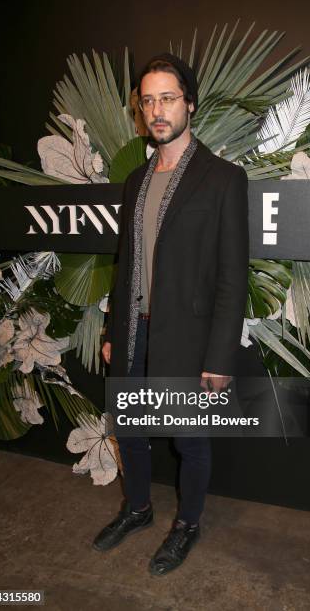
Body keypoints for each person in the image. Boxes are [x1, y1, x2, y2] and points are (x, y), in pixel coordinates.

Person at [93, 53, 249, 576]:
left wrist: (220, 355)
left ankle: (187, 523)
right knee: (131, 429)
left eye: (168, 98)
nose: (157, 110)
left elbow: (232, 275)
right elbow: (127, 262)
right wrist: (116, 328)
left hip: (188, 337)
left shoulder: (224, 178)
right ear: (140, 109)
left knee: (188, 439)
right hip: (134, 332)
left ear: (190, 103)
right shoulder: (137, 180)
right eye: (148, 100)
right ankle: (137, 509)